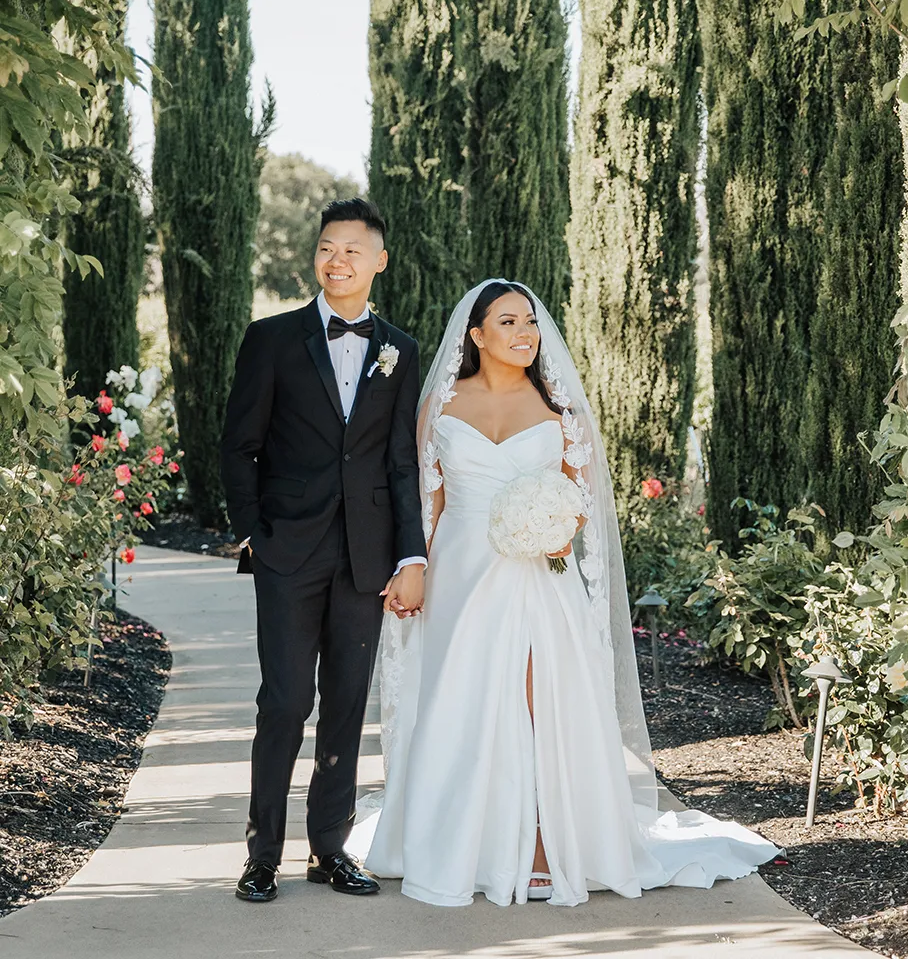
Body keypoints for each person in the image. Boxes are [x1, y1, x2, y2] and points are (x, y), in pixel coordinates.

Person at [361, 279, 780, 907]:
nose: (525, 333)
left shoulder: (560, 409)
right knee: (463, 702)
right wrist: (412, 566)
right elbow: (431, 501)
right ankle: (459, 840)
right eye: (507, 322)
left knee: (535, 704)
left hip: (535, 578)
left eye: (530, 322)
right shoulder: (442, 405)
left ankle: (538, 843)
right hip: (460, 575)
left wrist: (556, 529)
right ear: (475, 336)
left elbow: (581, 502)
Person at [220, 198, 426, 902]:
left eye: (352, 250)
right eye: (326, 249)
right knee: (283, 702)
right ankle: (262, 855)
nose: (337, 261)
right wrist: (254, 531)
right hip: (287, 551)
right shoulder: (271, 338)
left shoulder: (402, 349)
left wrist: (410, 557)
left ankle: (329, 849)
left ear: (379, 261)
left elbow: (402, 462)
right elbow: (238, 446)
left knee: (345, 705)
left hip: (366, 558)